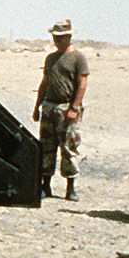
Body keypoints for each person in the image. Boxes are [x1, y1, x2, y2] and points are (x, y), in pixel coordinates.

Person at [33, 18, 88, 201]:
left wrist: (75, 107)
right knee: (47, 147)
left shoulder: (78, 58)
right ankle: (45, 185)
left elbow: (82, 83)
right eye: (55, 37)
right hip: (49, 107)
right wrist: (37, 105)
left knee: (69, 148)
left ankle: (70, 188)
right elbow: (45, 82)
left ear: (69, 37)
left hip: (67, 108)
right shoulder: (50, 58)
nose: (57, 41)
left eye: (61, 37)